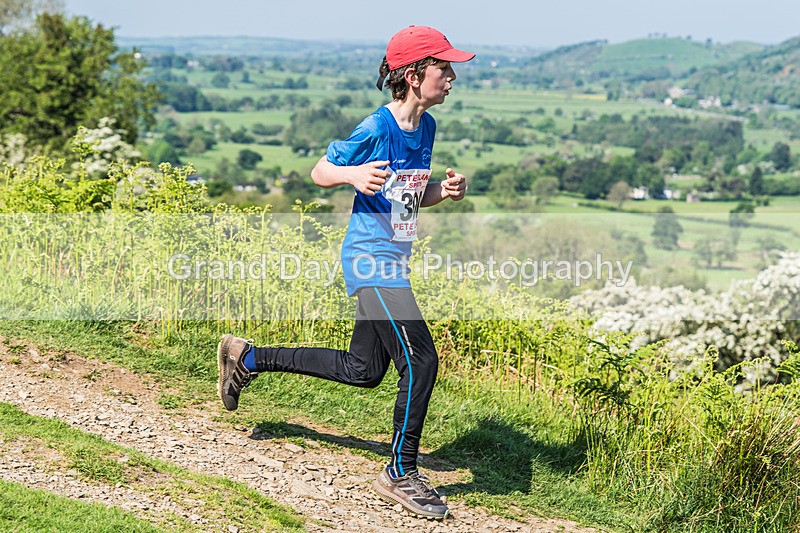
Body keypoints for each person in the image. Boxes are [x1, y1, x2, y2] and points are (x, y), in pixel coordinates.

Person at [217, 25, 474, 520]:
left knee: (363, 370)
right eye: (444, 67)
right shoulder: (376, 127)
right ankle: (400, 471)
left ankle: (247, 358)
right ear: (414, 75)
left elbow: (406, 197)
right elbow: (320, 171)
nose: (452, 77)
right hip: (370, 260)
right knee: (421, 361)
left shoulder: (426, 128)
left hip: (393, 260)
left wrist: (442, 193)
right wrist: (353, 174)